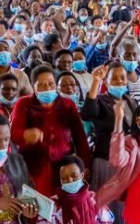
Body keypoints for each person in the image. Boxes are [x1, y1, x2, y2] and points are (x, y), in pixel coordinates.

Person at [81, 63, 136, 224]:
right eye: (114, 79)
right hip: (106, 162)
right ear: (107, 81)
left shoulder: (130, 101)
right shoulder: (102, 100)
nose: (120, 82)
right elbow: (88, 113)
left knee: (124, 207)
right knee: (108, 206)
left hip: (127, 162)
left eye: (122, 78)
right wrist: (95, 82)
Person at [11, 65, 91, 196]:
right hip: (34, 167)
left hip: (64, 168)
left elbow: (80, 138)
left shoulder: (67, 105)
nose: (47, 88)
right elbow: (14, 133)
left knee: (63, 207)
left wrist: (85, 165)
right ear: (33, 86)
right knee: (38, 208)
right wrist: (25, 135)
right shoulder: (23, 104)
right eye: (41, 85)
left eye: (51, 84)